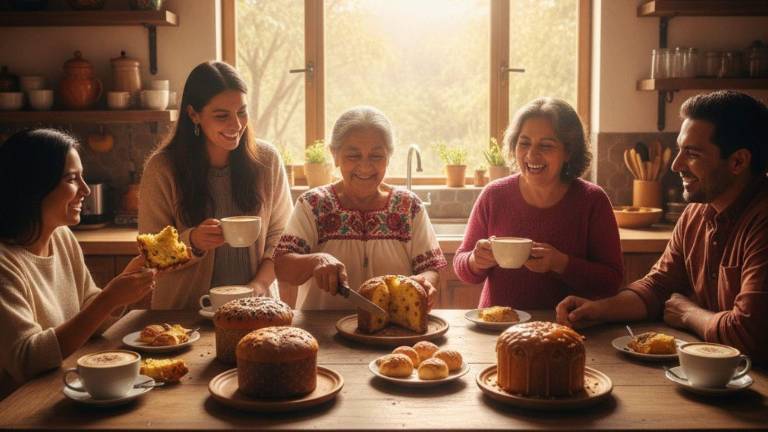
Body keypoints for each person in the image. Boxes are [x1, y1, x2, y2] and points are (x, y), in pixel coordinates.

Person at [556, 90, 768, 362]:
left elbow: (747, 333)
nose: (677, 165)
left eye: (692, 154)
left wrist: (688, 313)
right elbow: (658, 288)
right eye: (679, 150)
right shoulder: (695, 213)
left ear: (738, 161)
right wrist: (599, 309)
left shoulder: (762, 220)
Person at [0, 129, 156, 397]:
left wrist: (124, 285)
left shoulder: (61, 236)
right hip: (22, 409)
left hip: (67, 387)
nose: (85, 189)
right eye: (72, 179)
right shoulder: (5, 263)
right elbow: (26, 360)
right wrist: (108, 299)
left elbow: (91, 318)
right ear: (34, 186)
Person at [139, 61, 293, 309]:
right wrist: (194, 242)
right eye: (222, 116)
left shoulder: (267, 160)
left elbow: (282, 238)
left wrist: (259, 287)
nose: (236, 125)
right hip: (185, 312)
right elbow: (152, 254)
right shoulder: (162, 168)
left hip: (256, 307)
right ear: (193, 114)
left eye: (242, 112)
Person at [453, 97, 623, 309]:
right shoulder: (493, 195)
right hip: (498, 328)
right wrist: (474, 261)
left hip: (565, 329)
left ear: (568, 152)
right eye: (524, 143)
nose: (532, 154)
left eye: (546, 145)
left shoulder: (592, 201)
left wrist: (561, 263)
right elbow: (462, 266)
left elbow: (611, 282)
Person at [273, 106, 446, 310]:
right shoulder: (313, 204)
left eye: (376, 156)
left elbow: (431, 269)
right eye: (353, 156)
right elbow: (282, 266)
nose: (365, 167)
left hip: (392, 331)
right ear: (335, 155)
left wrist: (424, 283)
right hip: (322, 333)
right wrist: (316, 261)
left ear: (389, 156)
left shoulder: (409, 206)